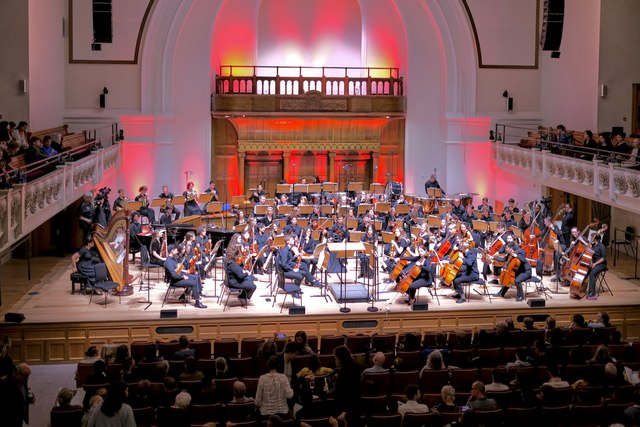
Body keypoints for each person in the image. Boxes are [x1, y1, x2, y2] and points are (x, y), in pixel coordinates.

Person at [164, 244, 207, 308]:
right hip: (175, 280)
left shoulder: (172, 259)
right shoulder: (168, 261)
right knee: (194, 283)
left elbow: (177, 268)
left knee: (196, 277)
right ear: (172, 251)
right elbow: (173, 275)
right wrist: (183, 276)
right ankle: (197, 303)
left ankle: (194, 294)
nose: (177, 251)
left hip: (179, 276)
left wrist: (184, 271)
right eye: (176, 250)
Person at [586, 233, 606, 300]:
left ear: (595, 239)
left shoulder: (601, 246)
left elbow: (603, 258)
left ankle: (592, 293)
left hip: (601, 264)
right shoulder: (593, 245)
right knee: (586, 270)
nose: (591, 239)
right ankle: (583, 289)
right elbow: (591, 256)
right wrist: (591, 262)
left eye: (592, 238)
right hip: (594, 263)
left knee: (592, 273)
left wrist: (595, 264)